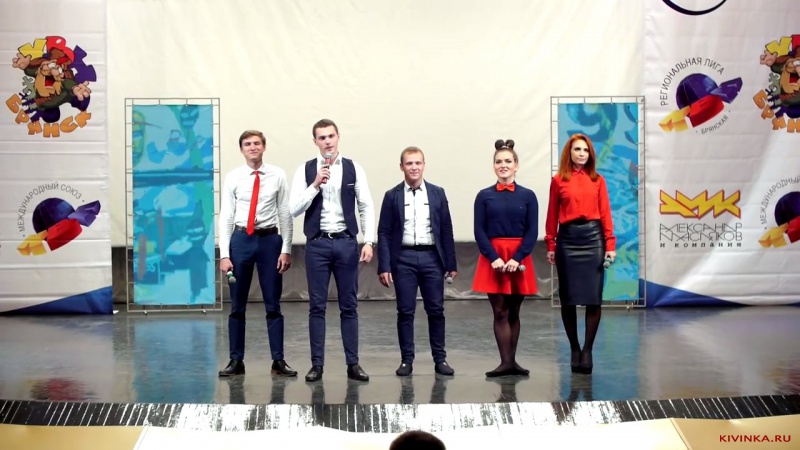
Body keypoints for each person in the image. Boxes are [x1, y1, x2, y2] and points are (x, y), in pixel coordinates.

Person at [289, 118, 374, 383]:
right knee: (317, 306)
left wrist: (369, 240)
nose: (327, 141)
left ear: (338, 137)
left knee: (349, 305)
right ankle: (317, 365)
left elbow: (365, 205)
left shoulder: (353, 168)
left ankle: (353, 364)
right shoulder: (305, 170)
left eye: (331, 136)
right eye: (322, 137)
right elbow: (293, 209)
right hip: (317, 244)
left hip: (346, 242)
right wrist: (315, 184)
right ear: (315, 141)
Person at [218, 130, 296, 378]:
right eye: (247, 144)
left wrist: (286, 248)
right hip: (241, 241)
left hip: (269, 242)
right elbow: (226, 215)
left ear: (264, 147)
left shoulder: (277, 175)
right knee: (237, 305)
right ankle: (236, 360)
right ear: (241, 149)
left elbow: (284, 212)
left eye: (256, 143)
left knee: (273, 304)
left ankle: (278, 360)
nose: (252, 147)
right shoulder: (233, 177)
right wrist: (224, 254)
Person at [377, 146, 457, 377]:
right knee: (405, 311)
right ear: (401, 167)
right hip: (404, 259)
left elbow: (446, 229)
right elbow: (384, 232)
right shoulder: (392, 195)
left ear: (424, 165)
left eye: (418, 163)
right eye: (409, 163)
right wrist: (384, 265)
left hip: (432, 258)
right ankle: (406, 361)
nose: (414, 167)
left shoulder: (437, 193)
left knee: (436, 310)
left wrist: (451, 263)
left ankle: (440, 359)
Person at [544, 133, 616, 375]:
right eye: (577, 149)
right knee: (569, 299)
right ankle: (574, 348)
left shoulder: (598, 180)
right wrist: (551, 244)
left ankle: (588, 350)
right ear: (569, 153)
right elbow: (552, 215)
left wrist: (610, 245)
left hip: (593, 239)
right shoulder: (558, 181)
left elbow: (606, 213)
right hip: (567, 240)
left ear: (590, 154)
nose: (582, 153)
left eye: (585, 150)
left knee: (593, 298)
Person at [472, 139, 539, 378]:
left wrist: (517, 258)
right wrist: (493, 257)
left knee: (514, 312)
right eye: (499, 162)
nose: (503, 165)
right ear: (494, 166)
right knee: (499, 311)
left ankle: (512, 362)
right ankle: (505, 363)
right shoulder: (484, 196)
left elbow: (532, 231)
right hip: (494, 258)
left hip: (518, 258)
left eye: (508, 161)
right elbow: (479, 231)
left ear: (516, 165)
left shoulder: (528, 196)